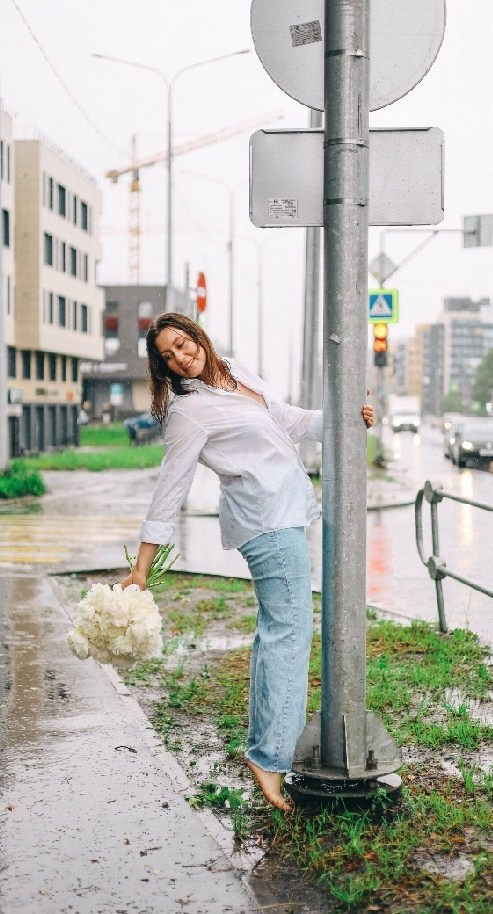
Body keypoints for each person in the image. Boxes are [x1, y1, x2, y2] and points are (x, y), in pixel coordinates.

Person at [121, 312, 372, 811]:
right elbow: (169, 490)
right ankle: (272, 758)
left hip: (284, 513)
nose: (179, 357)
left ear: (197, 336)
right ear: (163, 369)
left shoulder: (235, 371)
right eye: (167, 357)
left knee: (276, 632)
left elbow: (287, 421)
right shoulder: (188, 413)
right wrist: (142, 567)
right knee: (289, 634)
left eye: (182, 344)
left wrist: (345, 420)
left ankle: (266, 751)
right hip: (266, 523)